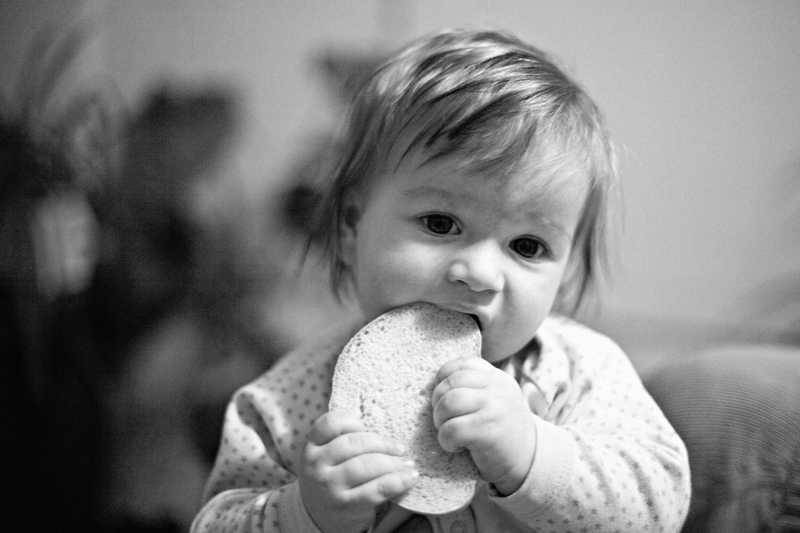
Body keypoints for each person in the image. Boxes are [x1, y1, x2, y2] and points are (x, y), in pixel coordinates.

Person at [191, 28, 691, 533]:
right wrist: (304, 512)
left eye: (527, 246)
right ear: (350, 230)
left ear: (565, 276)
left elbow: (660, 509)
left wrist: (533, 455)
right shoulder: (287, 403)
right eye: (440, 223)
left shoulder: (580, 374)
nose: (480, 274)